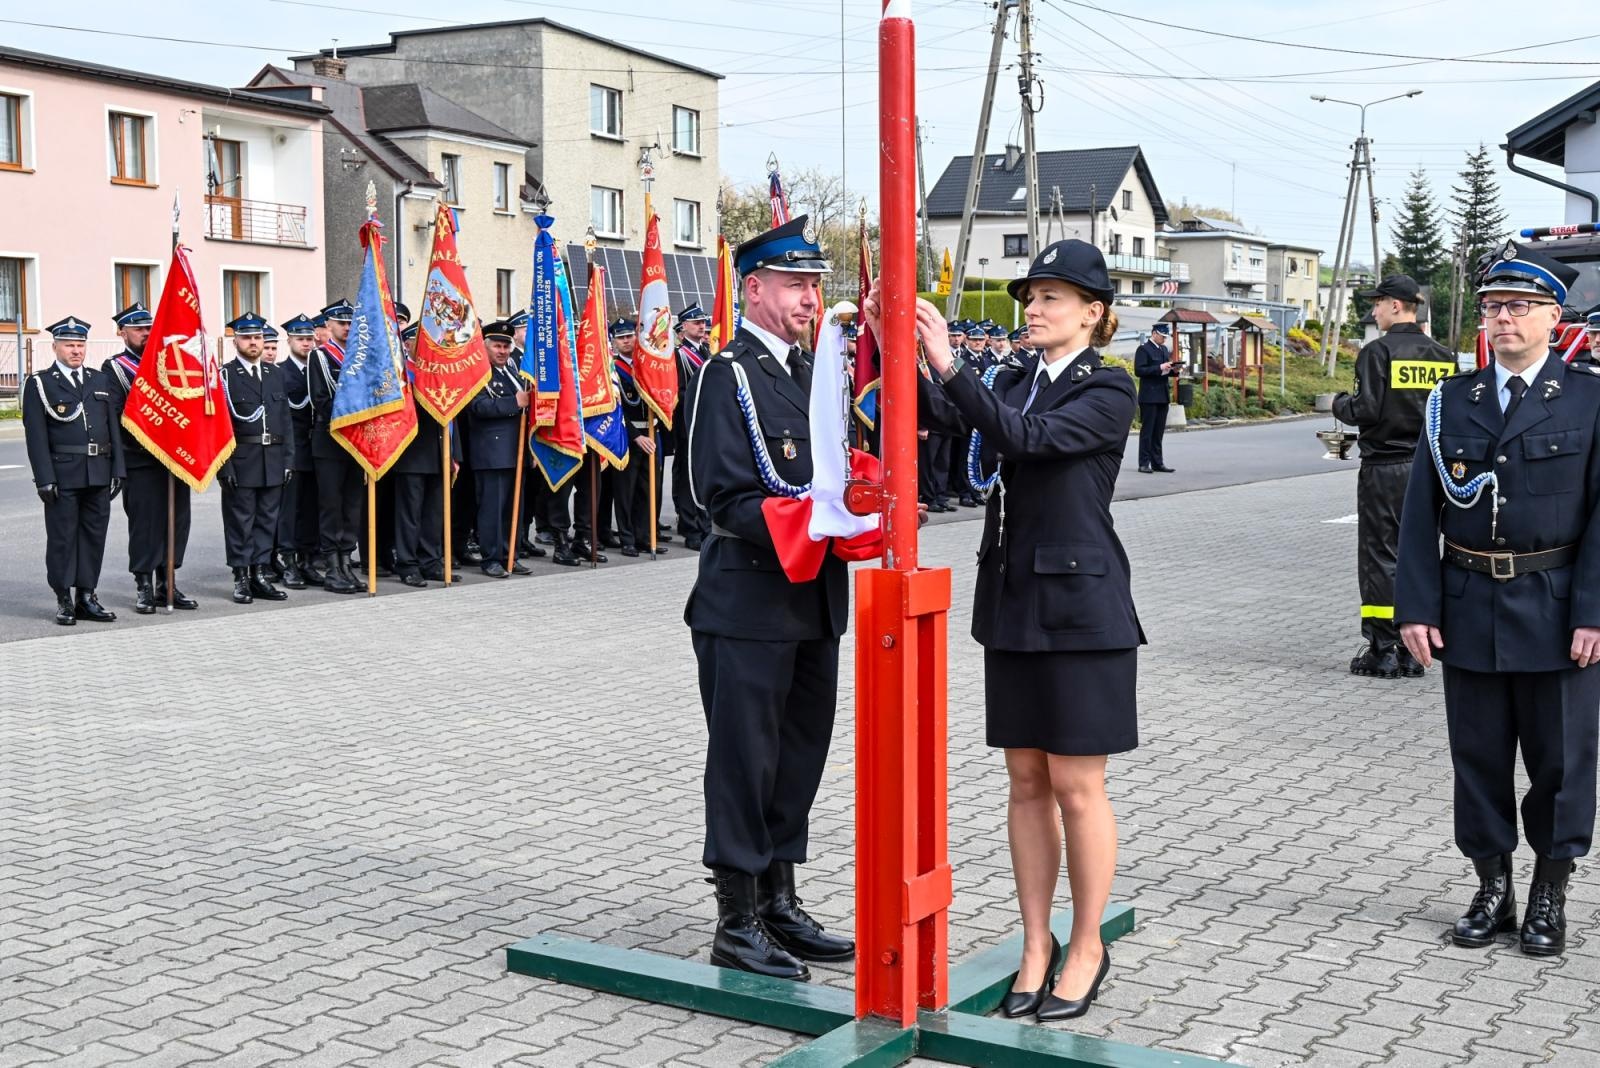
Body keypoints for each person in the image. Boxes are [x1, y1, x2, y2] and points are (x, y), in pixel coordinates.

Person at [871, 238, 1141, 1021]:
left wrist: (952, 364)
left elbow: (1025, 439)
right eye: (1032, 297)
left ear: (1093, 313)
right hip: (1016, 600)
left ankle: (1086, 944)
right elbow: (945, 414)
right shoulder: (1018, 375)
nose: (1035, 309)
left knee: (1076, 786)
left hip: (1084, 610)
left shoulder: (1108, 386)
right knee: (1025, 780)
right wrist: (898, 346)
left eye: (1052, 298)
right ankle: (1035, 944)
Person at [1396, 242, 1600, 958]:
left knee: (1561, 762)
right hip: (1469, 603)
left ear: (1553, 315)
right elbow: (1420, 512)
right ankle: (1492, 886)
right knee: (1477, 758)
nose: (1502, 318)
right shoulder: (1454, 400)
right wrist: (1413, 608)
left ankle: (1550, 889)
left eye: (1518, 306)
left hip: (1555, 604)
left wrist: (1594, 611)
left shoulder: (1590, 396)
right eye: (1491, 307)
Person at [684, 215, 854, 980]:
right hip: (749, 603)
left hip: (812, 601)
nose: (810, 297)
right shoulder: (731, 373)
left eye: (816, 285)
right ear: (753, 289)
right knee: (745, 763)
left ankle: (780, 900)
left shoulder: (812, 371)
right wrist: (816, 520)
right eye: (795, 284)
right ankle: (737, 917)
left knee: (796, 759)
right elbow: (718, 495)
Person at [1334, 275, 1456, 679]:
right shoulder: (1444, 356)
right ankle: (1412, 645)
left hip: (1384, 468)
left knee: (1379, 556)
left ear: (1398, 306)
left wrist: (1339, 405)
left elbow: (1365, 410)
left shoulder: (1377, 352)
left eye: (1379, 303)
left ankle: (1383, 649)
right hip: (1430, 470)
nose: (1374, 310)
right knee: (1417, 554)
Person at [23, 316, 125, 625]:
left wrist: (118, 470)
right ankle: (63, 598)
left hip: (98, 470)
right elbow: (36, 436)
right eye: (69, 345)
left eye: (80, 345)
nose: (76, 351)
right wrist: (44, 478)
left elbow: (113, 429)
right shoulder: (40, 384)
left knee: (94, 536)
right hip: (63, 473)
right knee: (63, 538)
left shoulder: (99, 380)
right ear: (55, 347)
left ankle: (87, 595)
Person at [103, 301, 197, 613]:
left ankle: (166, 582)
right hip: (140, 460)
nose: (145, 333)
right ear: (122, 332)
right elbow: (116, 419)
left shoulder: (170, 363)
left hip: (174, 460)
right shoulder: (115, 368)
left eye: (148, 328)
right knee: (145, 525)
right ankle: (143, 584)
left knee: (177, 521)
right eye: (138, 329)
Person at [218, 314, 293, 605]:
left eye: (258, 337)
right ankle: (241, 576)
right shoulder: (225, 376)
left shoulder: (275, 374)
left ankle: (260, 573)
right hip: (242, 460)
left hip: (273, 459)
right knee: (240, 522)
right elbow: (221, 426)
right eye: (247, 337)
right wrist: (225, 465)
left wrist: (288, 460)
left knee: (266, 521)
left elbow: (285, 421)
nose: (253, 343)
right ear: (235, 341)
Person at [391, 323, 457, 586]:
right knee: (409, 514)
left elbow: (453, 416)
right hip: (412, 454)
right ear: (407, 344)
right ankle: (407, 564)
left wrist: (454, 455)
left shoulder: (440, 371)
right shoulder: (402, 373)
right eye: (421, 342)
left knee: (433, 514)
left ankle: (431, 561)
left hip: (440, 452)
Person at [469, 321, 533, 578]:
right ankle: (491, 558)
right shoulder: (478, 373)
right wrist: (513, 402)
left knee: (513, 508)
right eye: (497, 345)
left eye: (506, 345)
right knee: (492, 511)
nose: (503, 351)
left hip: (516, 452)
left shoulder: (513, 371)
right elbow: (478, 407)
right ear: (485, 346)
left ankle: (510, 555)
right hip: (492, 453)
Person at [309, 298, 363, 594]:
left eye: (349, 322)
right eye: (340, 322)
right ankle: (331, 566)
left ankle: (345, 561)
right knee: (332, 505)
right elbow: (323, 400)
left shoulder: (360, 357)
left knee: (352, 506)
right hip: (330, 442)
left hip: (357, 443)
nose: (345, 327)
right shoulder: (321, 357)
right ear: (327, 326)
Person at [613, 317, 670, 558]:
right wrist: (636, 436)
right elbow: (615, 410)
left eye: (630, 336)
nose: (627, 341)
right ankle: (627, 539)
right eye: (621, 338)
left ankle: (646, 537)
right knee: (626, 491)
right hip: (629, 436)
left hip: (651, 433)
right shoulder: (612, 370)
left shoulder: (647, 365)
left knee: (650, 490)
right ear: (614, 342)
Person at [274, 315, 319, 589]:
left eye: (309, 338)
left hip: (317, 452)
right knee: (289, 511)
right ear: (289, 341)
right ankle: (288, 561)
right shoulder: (280, 373)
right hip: (293, 451)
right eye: (300, 339)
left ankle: (308, 560)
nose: (306, 343)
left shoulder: (319, 367)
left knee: (312, 509)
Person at [673, 303, 713, 550]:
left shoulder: (707, 351)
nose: (701, 326)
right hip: (686, 420)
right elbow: (678, 391)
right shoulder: (679, 355)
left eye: (703, 322)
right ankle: (690, 527)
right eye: (696, 323)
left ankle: (705, 522)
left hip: (706, 420)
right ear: (684, 326)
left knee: (702, 472)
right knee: (688, 474)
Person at [1133, 323, 1179, 474]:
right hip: (1149, 396)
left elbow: (1165, 371)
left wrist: (1174, 370)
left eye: (1166, 337)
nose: (1165, 339)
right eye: (1162, 336)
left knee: (1158, 432)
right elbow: (1139, 371)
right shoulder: (1143, 349)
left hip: (1162, 395)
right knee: (1148, 431)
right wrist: (1160, 367)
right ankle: (1144, 463)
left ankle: (1158, 463)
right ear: (1154, 334)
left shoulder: (1164, 350)